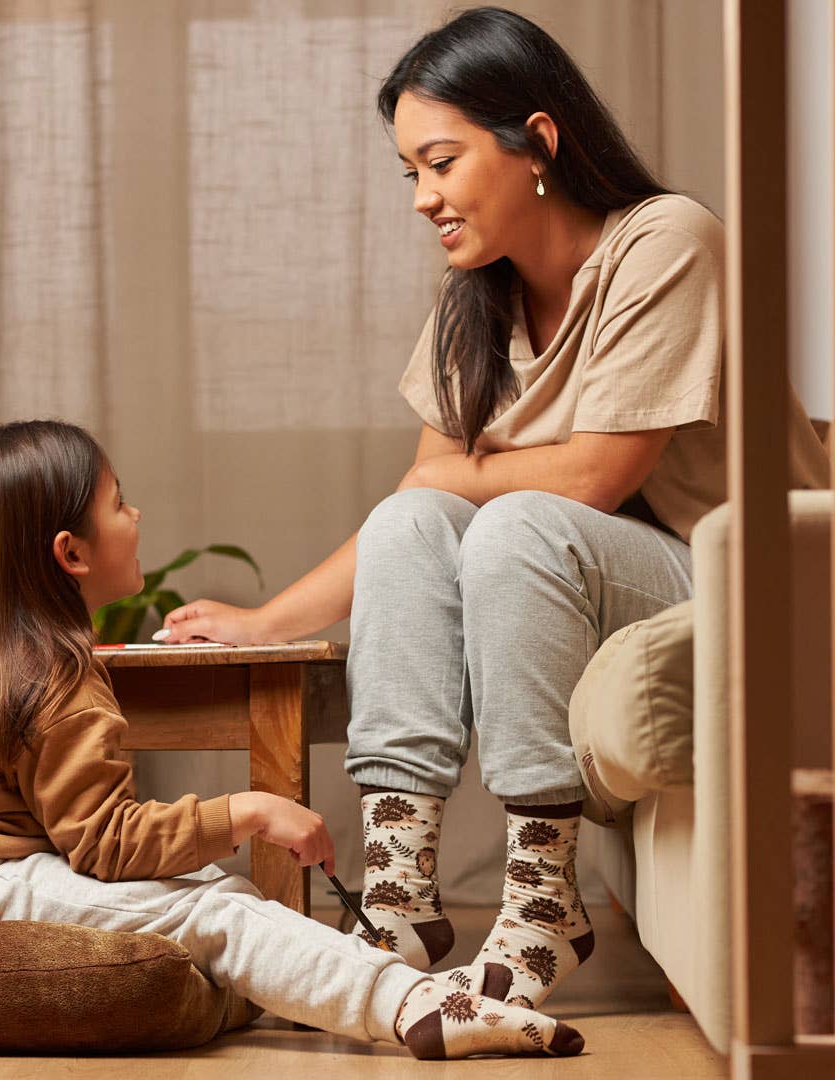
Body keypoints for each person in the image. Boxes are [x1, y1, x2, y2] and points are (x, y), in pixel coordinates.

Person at [157, 6, 830, 1011]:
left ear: (539, 143)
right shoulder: (477, 300)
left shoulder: (667, 242)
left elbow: (596, 476)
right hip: (613, 581)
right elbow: (416, 508)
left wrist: (458, 480)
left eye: (442, 162)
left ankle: (542, 886)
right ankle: (399, 887)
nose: (424, 197)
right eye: (410, 174)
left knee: (513, 521)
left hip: (756, 583)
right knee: (412, 525)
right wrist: (262, 624)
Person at [0, 420, 585, 1061]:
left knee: (211, 898)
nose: (137, 515)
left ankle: (372, 980)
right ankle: (414, 1007)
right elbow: (106, 846)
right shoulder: (55, 677)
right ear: (71, 554)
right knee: (221, 911)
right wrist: (248, 813)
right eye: (119, 504)